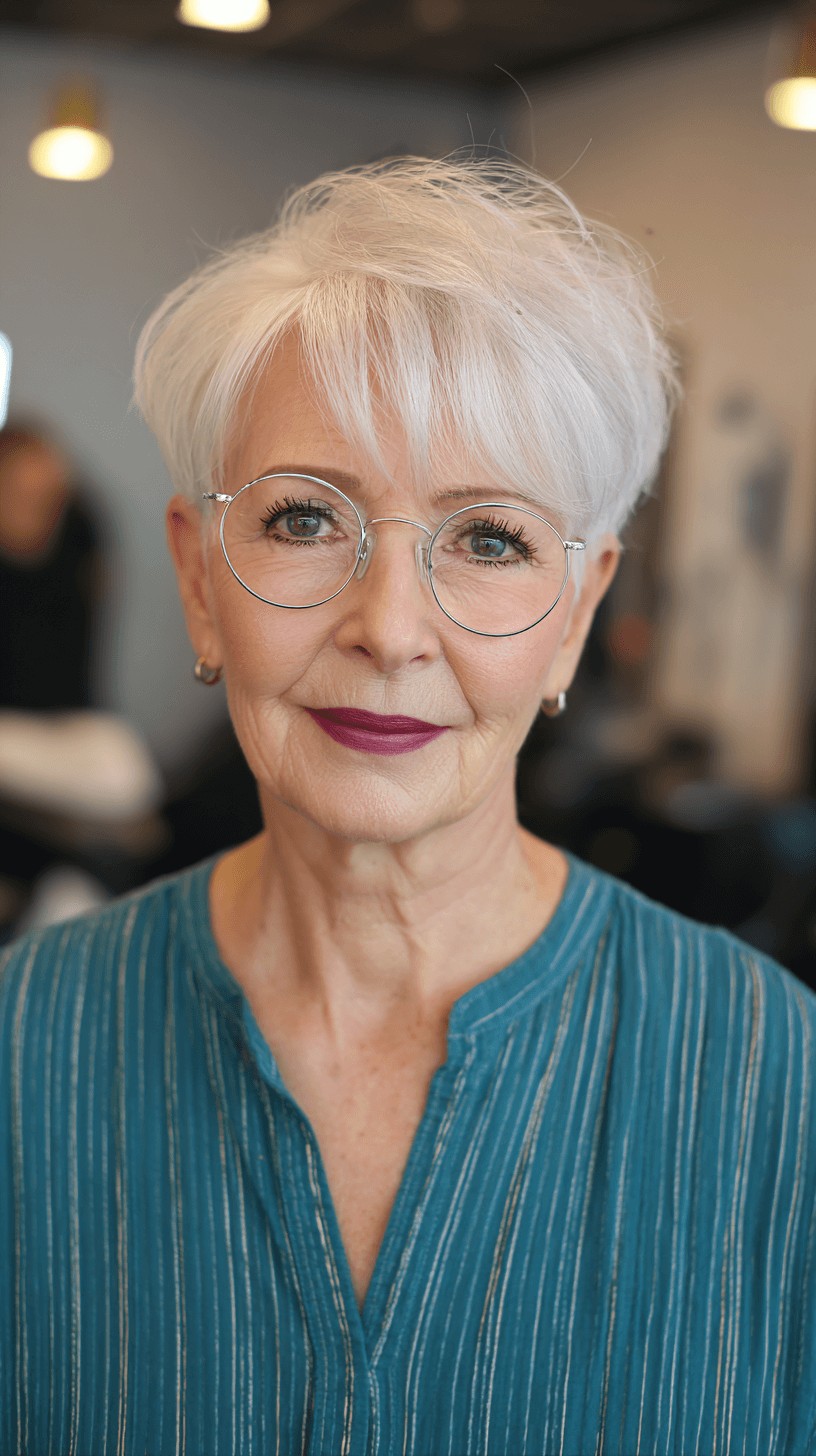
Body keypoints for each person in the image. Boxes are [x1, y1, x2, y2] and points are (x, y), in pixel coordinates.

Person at [1, 156, 814, 1456]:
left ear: (578, 616)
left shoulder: (776, 1080)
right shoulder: (24, 1050)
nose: (388, 629)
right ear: (201, 583)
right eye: (307, 520)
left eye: (489, 540)